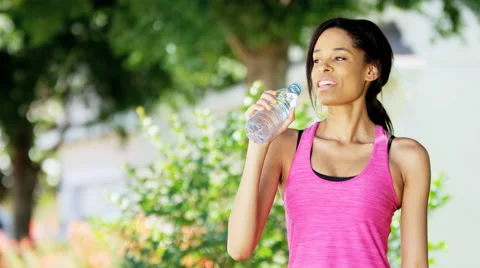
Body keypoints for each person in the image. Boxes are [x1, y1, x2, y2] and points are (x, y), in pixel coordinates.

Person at [227, 17, 431, 268]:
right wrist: (258, 142)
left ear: (371, 70)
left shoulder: (404, 157)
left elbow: (416, 263)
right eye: (316, 60)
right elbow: (238, 247)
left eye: (339, 58)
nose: (322, 67)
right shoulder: (286, 146)